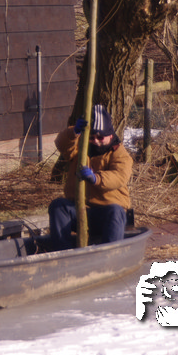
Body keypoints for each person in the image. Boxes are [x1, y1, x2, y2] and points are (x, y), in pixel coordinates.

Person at [47, 103, 133, 250]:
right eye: (92, 138)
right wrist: (73, 132)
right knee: (58, 206)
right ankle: (63, 252)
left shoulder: (120, 154)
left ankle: (110, 254)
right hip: (80, 210)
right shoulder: (80, 150)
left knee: (116, 211)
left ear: (111, 135)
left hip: (105, 214)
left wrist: (96, 178)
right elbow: (61, 144)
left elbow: (119, 176)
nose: (96, 141)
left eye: (100, 137)